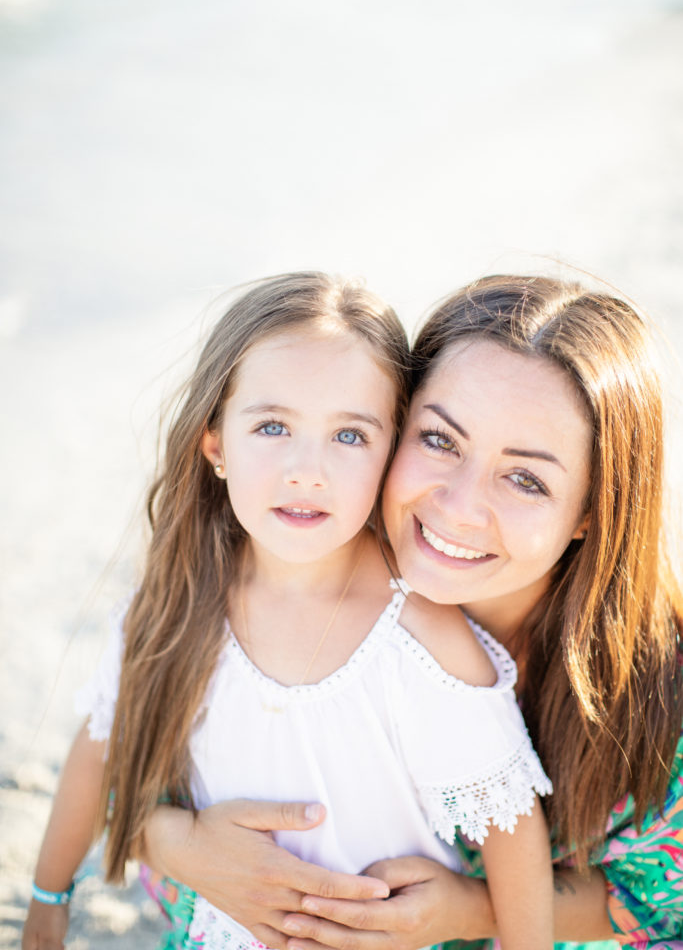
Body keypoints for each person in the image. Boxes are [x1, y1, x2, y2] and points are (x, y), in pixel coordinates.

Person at [136, 272, 683, 950]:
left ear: (591, 513)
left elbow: (661, 904)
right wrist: (173, 842)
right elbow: (125, 749)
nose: (456, 505)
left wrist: (471, 911)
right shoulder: (290, 566)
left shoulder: (662, 693)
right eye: (438, 440)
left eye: (525, 479)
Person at [22, 272, 555, 950]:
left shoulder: (420, 643)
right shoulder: (177, 604)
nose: (307, 470)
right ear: (214, 443)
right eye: (272, 426)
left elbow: (512, 835)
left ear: (391, 452)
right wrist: (47, 901)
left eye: (350, 436)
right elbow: (101, 748)